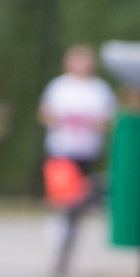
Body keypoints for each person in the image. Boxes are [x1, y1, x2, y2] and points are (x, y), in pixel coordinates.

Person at [38, 44, 118, 177]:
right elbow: (43, 114)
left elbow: (110, 120)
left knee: (82, 189)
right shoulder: (58, 86)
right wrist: (58, 119)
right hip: (60, 147)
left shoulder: (101, 88)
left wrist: (93, 123)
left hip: (88, 149)